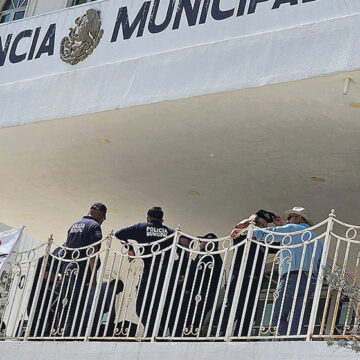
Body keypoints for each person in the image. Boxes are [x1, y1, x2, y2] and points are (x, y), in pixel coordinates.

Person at [233, 206, 323, 336]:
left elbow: (271, 233)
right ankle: (294, 340)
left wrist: (243, 231)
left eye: (290, 217)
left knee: (280, 314)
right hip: (310, 280)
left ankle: (282, 339)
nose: (287, 220)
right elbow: (322, 265)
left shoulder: (293, 229)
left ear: (299, 218)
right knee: (298, 314)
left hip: (292, 277)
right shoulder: (317, 240)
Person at [115, 207, 174, 337]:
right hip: (164, 274)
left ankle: (153, 333)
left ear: (147, 218)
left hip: (149, 272)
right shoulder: (169, 231)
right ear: (162, 220)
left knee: (141, 306)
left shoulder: (141, 227)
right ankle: (157, 334)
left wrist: (130, 249)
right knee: (159, 306)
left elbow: (118, 234)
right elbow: (181, 246)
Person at [56, 202, 107, 336]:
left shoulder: (75, 225)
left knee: (65, 302)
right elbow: (92, 252)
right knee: (78, 305)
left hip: (68, 269)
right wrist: (94, 278)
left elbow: (67, 249)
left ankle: (59, 332)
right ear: (102, 216)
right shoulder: (94, 226)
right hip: (81, 272)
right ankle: (70, 335)